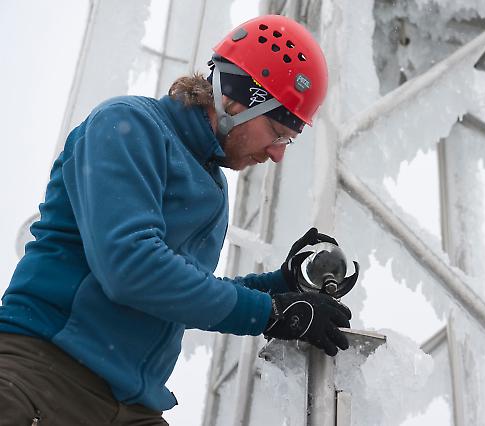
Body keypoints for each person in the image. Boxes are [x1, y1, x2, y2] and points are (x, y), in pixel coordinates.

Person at [0, 14, 353, 425]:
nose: (278, 154)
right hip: (43, 376)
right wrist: (269, 311)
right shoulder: (127, 126)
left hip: (133, 407)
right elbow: (130, 267)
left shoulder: (213, 186)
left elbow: (178, 290)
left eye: (287, 140)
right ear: (237, 99)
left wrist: (281, 287)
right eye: (277, 131)